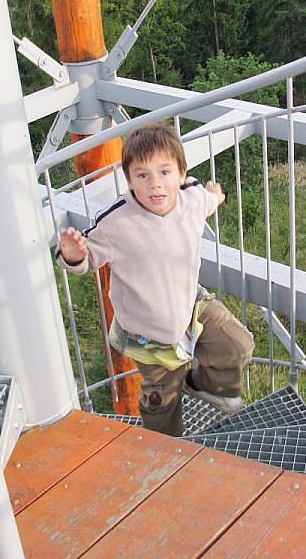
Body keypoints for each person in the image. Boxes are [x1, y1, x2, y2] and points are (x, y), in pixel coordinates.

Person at [57, 122, 254, 437]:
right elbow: (88, 257)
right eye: (142, 175)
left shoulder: (190, 195)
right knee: (161, 399)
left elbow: (204, 201)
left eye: (164, 173)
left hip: (190, 303)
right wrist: (72, 253)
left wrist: (215, 197)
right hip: (147, 330)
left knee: (237, 344)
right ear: (129, 180)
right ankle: (165, 449)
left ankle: (203, 384)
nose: (155, 185)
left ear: (181, 172)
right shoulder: (117, 222)